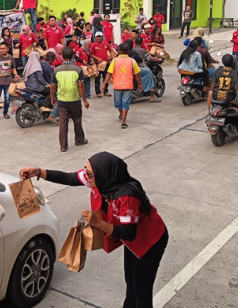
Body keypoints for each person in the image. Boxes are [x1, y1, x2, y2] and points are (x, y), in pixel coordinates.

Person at [19, 152, 168, 308]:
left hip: (150, 241)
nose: (86, 175)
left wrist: (98, 223)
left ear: (104, 174)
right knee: (131, 285)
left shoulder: (126, 197)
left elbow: (129, 233)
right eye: (86, 170)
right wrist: (38, 172)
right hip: (132, 243)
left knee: (142, 292)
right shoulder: (100, 181)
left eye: (89, 173)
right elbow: (68, 178)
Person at [51, 47, 89, 152]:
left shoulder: (56, 70)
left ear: (62, 57)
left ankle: (63, 146)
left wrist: (52, 97)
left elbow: (53, 85)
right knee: (77, 120)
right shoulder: (78, 69)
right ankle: (79, 140)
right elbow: (81, 85)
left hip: (62, 100)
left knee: (63, 123)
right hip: (74, 99)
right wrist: (84, 100)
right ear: (73, 56)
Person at [103, 44, 142, 129]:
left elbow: (109, 73)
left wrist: (104, 84)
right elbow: (137, 75)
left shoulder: (114, 61)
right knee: (125, 103)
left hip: (117, 85)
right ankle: (123, 120)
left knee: (118, 103)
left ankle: (122, 117)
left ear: (120, 51)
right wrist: (140, 84)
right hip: (128, 85)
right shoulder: (132, 61)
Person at [208, 54, 238, 124]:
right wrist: (230, 91)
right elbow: (236, 87)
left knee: (209, 94)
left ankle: (210, 113)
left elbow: (213, 84)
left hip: (216, 96)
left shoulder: (218, 70)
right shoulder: (235, 72)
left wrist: (213, 89)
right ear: (233, 62)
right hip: (229, 97)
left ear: (222, 62)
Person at [0, 42, 19, 121]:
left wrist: (15, 74)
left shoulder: (11, 58)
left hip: (8, 82)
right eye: (0, 49)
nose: (1, 50)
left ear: (7, 49)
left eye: (3, 48)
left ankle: (5, 113)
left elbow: (13, 68)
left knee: (7, 99)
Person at [131, 37, 162, 103]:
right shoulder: (143, 51)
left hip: (129, 69)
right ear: (142, 43)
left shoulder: (131, 50)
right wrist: (158, 60)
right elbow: (150, 58)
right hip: (138, 69)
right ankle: (152, 97)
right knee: (151, 75)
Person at [91, 32, 113, 98]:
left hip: (106, 63)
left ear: (102, 37)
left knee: (106, 78)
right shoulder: (93, 45)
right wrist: (97, 58)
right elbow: (91, 54)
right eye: (97, 37)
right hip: (98, 64)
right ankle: (98, 92)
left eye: (99, 36)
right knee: (97, 79)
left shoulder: (106, 43)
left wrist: (112, 58)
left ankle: (106, 91)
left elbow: (110, 50)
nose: (98, 38)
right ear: (95, 37)